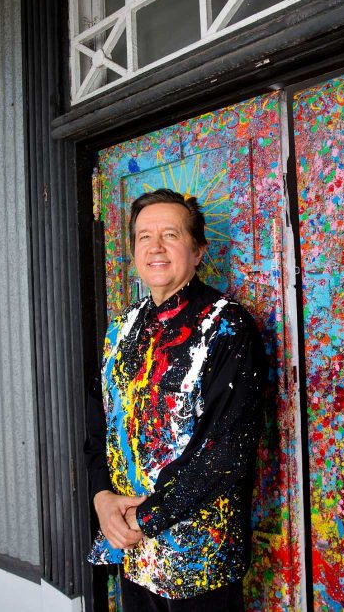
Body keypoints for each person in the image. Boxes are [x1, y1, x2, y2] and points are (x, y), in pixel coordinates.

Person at [85, 188, 268, 611]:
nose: (156, 247)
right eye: (144, 237)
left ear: (198, 249)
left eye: (171, 234)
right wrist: (101, 498)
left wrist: (139, 519)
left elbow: (226, 451)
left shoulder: (227, 326)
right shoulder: (121, 328)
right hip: (133, 554)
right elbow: (100, 425)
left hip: (200, 559)